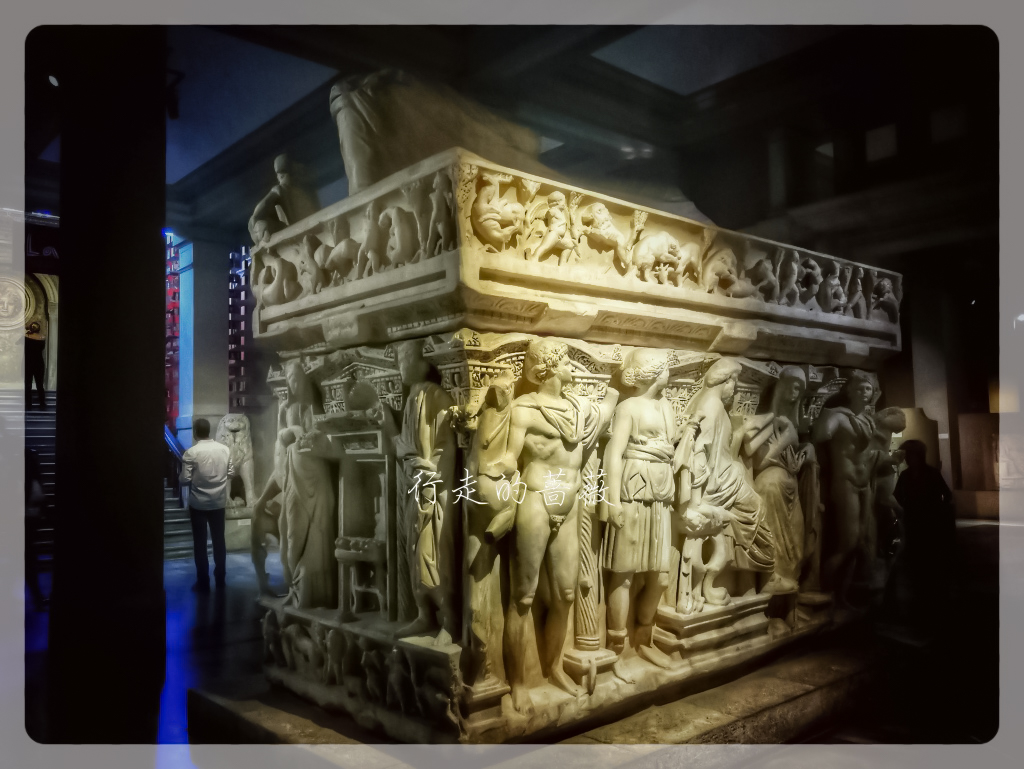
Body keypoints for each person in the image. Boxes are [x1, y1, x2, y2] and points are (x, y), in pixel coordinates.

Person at [892, 439, 955, 626]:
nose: (907, 459)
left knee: (930, 562)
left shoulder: (931, 474)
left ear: (917, 455)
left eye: (909, 455)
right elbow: (897, 496)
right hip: (914, 524)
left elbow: (946, 495)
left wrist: (936, 511)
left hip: (930, 525)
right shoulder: (906, 475)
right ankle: (923, 601)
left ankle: (932, 603)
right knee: (917, 563)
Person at [180, 418, 234, 592]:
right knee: (219, 541)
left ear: (195, 431)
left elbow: (184, 479)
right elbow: (231, 472)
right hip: (218, 502)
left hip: (198, 505)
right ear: (209, 431)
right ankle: (221, 578)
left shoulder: (191, 453)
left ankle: (203, 581)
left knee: (200, 544)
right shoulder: (224, 449)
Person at [25, 322, 46, 410]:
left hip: (28, 363)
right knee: (40, 384)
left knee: (28, 385)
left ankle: (28, 405)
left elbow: (17, 343)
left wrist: (26, 333)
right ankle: (42, 404)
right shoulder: (42, 338)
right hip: (39, 363)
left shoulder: (26, 338)